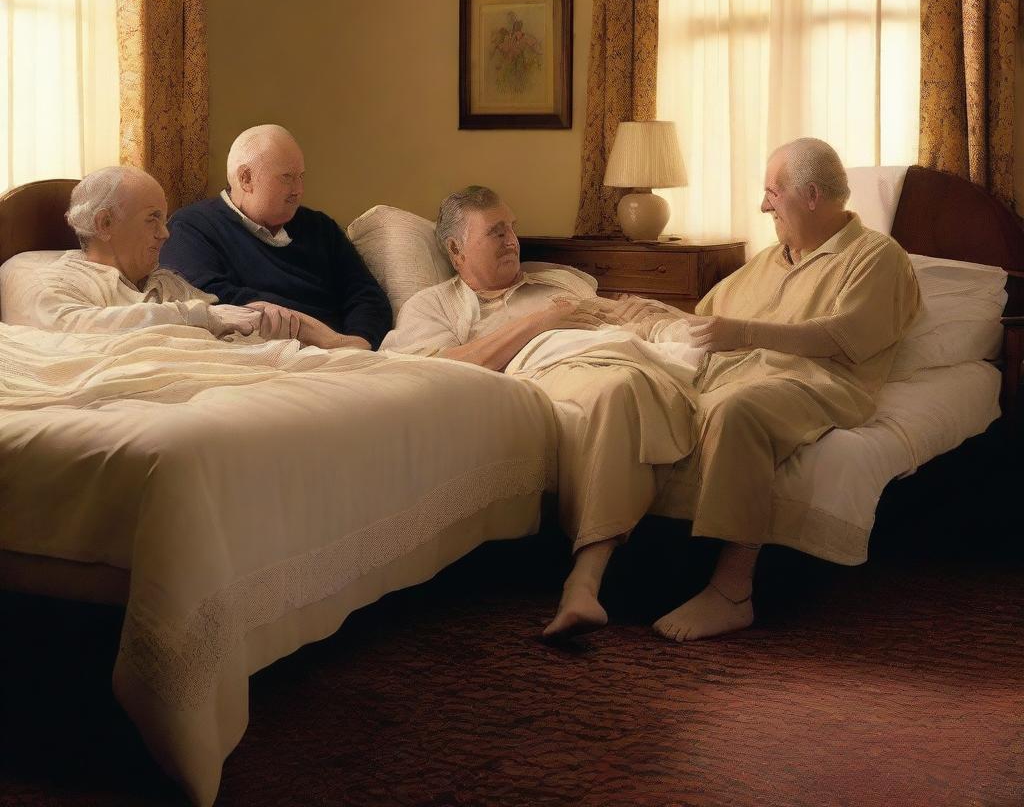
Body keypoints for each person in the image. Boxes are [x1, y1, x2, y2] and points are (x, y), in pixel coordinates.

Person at [384, 137, 920, 642]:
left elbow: (840, 337)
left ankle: (730, 589)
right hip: (711, 369)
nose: (762, 206)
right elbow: (703, 318)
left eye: (772, 194)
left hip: (809, 379)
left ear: (812, 196)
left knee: (719, 408)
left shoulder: (876, 257)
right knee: (670, 396)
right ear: (455, 251)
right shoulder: (772, 259)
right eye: (495, 232)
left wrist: (720, 333)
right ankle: (631, 571)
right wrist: (658, 319)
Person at [159, 124, 392, 350]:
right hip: (265, 353)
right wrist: (313, 333)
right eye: (287, 177)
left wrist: (357, 342)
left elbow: (366, 294)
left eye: (301, 176)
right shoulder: (191, 227)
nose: (298, 189)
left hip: (347, 353)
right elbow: (208, 301)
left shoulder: (321, 227)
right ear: (245, 178)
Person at [13, 166, 262, 339]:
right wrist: (193, 315)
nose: (165, 233)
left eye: (164, 220)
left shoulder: (167, 283)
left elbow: (225, 320)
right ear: (105, 224)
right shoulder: (54, 283)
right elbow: (71, 329)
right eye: (152, 219)